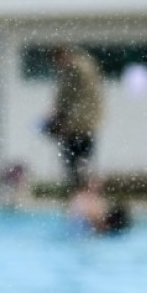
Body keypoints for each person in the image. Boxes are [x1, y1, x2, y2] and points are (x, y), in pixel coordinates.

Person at [43, 45, 103, 192]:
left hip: (80, 125)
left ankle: (80, 191)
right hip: (81, 124)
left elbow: (74, 100)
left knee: (78, 162)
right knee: (80, 162)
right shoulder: (79, 68)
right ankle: (80, 190)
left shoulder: (77, 70)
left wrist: (63, 121)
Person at [67, 177, 131, 235]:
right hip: (84, 226)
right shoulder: (81, 198)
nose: (97, 187)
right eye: (94, 185)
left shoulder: (99, 200)